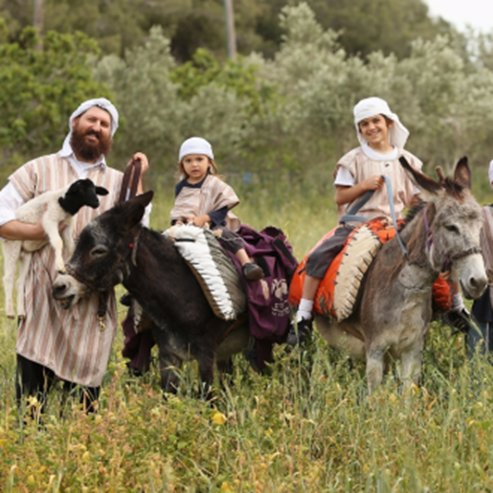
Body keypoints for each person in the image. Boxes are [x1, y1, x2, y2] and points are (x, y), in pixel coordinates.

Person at [0, 98, 150, 415]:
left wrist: (138, 181)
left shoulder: (120, 182)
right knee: (30, 408)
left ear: (110, 135)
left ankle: (73, 454)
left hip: (92, 307)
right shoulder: (37, 169)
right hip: (43, 301)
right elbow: (1, 217)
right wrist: (39, 232)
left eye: (104, 124)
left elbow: (139, 232)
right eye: (91, 119)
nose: (96, 127)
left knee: (82, 414)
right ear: (74, 123)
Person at [287, 96, 474, 346]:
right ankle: (304, 317)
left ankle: (456, 308)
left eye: (376, 121)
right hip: (358, 226)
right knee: (320, 256)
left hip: (397, 227)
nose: (371, 127)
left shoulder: (408, 160)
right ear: (360, 130)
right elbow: (339, 196)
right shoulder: (351, 160)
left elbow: (415, 200)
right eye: (364, 124)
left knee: (441, 254)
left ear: (388, 123)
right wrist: (363, 186)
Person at [170, 136, 264, 281]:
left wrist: (204, 218)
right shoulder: (181, 187)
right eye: (188, 160)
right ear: (182, 164)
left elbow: (223, 206)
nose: (194, 164)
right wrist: (179, 221)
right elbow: (180, 208)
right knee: (165, 240)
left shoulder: (214, 184)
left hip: (213, 224)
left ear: (209, 163)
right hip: (187, 225)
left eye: (199, 159)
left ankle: (246, 264)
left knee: (227, 235)